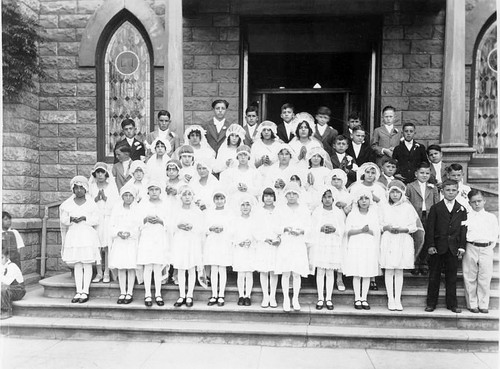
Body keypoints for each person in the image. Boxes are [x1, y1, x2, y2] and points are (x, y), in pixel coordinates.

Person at [424, 179, 467, 313]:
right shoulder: (436, 208)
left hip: (453, 248)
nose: (450, 193)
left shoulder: (461, 209)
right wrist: (430, 245)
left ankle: (452, 304)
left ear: (457, 192)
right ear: (442, 191)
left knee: (452, 277)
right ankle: (431, 303)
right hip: (438, 246)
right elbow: (430, 228)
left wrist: (461, 246)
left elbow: (463, 230)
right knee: (434, 275)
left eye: (453, 190)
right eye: (447, 190)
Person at [380, 180, 423, 311]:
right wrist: (386, 227)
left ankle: (397, 298)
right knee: (389, 269)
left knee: (399, 269)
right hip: (388, 239)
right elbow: (378, 223)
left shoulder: (407, 208)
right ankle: (390, 299)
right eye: (392, 192)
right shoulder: (383, 206)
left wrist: (403, 229)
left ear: (402, 194)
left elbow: (414, 227)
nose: (394, 195)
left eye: (397, 192)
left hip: (403, 239)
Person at [59, 176, 100, 304]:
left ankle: (85, 291)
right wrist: (71, 219)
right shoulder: (67, 204)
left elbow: (96, 219)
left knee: (87, 263)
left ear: (86, 189)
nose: (78, 190)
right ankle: (78, 290)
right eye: (76, 188)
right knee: (77, 263)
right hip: (74, 234)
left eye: (81, 188)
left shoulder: (91, 203)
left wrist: (85, 218)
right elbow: (63, 219)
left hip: (87, 234)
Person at [275, 182, 311, 312]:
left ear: (298, 195)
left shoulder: (304, 209)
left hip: (298, 243)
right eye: (289, 193)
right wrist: (284, 228)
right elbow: (275, 226)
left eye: (294, 194)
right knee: (285, 273)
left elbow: (309, 226)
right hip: (286, 242)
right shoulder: (280, 209)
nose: (291, 196)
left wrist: (301, 231)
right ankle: (285, 298)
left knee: (296, 273)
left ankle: (295, 298)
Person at [343, 188, 381, 310]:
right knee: (357, 272)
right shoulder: (353, 214)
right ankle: (357, 298)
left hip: (369, 245)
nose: (364, 201)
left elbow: (376, 231)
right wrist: (360, 230)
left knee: (367, 272)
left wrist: (369, 230)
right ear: (357, 201)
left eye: (366, 198)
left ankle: (364, 298)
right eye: (361, 198)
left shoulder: (373, 214)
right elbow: (347, 231)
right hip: (356, 244)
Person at [462, 190, 499, 313]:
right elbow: (463, 233)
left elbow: (495, 234)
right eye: (473, 202)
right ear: (469, 203)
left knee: (485, 277)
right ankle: (472, 304)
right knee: (470, 276)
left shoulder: (491, 217)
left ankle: (483, 304)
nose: (477, 204)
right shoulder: (466, 216)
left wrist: (489, 247)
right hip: (471, 246)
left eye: (479, 201)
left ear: (484, 201)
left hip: (486, 248)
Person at [309, 189, 345, 310]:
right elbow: (312, 226)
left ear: (333, 199)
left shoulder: (338, 212)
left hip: (333, 243)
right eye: (325, 197)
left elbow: (343, 228)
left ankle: (329, 298)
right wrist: (321, 228)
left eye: (329, 197)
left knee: (330, 271)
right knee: (320, 271)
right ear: (321, 199)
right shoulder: (317, 211)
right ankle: (320, 298)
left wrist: (335, 229)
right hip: (320, 242)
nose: (327, 199)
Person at [137, 179, 169, 307]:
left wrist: (161, 221)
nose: (154, 192)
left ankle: (158, 293)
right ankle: (147, 294)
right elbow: (137, 221)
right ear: (148, 192)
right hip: (147, 236)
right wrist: (145, 219)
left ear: (160, 191)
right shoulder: (143, 204)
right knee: (148, 266)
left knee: (157, 266)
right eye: (151, 190)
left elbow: (170, 221)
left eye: (156, 189)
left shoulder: (165, 204)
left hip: (160, 236)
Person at [171, 185, 205, 308]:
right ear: (180, 197)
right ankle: (182, 295)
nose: (186, 197)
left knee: (191, 268)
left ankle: (190, 294)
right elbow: (171, 225)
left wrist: (192, 227)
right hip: (180, 241)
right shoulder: (176, 210)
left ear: (192, 196)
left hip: (192, 241)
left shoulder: (197, 211)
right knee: (180, 268)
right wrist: (178, 226)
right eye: (184, 195)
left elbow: (202, 227)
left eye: (189, 194)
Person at [406, 162, 440, 275]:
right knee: (416, 238)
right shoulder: (410, 186)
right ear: (416, 174)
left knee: (428, 238)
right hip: (415, 216)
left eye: (427, 173)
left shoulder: (433, 188)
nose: (424, 175)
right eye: (421, 173)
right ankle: (414, 262)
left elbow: (436, 203)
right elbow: (407, 203)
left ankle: (424, 262)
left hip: (429, 215)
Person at [109, 185, 141, 304]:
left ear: (134, 197)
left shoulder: (137, 210)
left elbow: (139, 226)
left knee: (130, 267)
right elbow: (111, 225)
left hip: (131, 241)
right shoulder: (117, 209)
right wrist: (118, 233)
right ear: (122, 197)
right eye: (125, 195)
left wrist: (130, 233)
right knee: (121, 267)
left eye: (130, 196)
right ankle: (122, 292)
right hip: (119, 241)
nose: (128, 198)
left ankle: (130, 292)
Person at [88, 162, 119, 284]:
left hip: (107, 218)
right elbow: (88, 202)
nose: (100, 175)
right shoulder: (91, 187)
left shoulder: (111, 186)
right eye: (98, 172)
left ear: (106, 174)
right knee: (97, 246)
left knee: (106, 246)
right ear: (95, 174)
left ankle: (107, 272)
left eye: (102, 172)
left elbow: (116, 203)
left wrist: (105, 198)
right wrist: (96, 199)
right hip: (96, 219)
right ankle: (98, 272)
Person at [204, 190, 232, 307]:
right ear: (213, 200)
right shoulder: (209, 212)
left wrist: (223, 228)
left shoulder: (229, 213)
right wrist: (211, 228)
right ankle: (214, 294)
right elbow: (204, 227)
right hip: (213, 241)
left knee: (222, 268)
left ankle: (221, 295)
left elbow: (232, 227)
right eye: (217, 199)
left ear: (225, 200)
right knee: (214, 268)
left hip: (224, 242)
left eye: (221, 198)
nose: (219, 201)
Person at [231, 194, 259, 306]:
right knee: (241, 273)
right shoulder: (236, 220)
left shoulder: (254, 220)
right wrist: (239, 242)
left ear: (251, 207)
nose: (245, 207)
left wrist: (251, 241)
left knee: (249, 273)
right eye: (243, 205)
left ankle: (248, 295)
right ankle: (241, 295)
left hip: (250, 249)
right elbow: (232, 234)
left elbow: (257, 234)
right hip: (240, 249)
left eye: (248, 205)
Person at [255, 188, 281, 308]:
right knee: (264, 271)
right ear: (263, 198)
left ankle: (273, 296)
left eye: (271, 196)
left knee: (273, 271)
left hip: (275, 244)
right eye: (266, 196)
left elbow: (282, 227)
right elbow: (255, 228)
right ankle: (265, 296)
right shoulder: (258, 211)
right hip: (263, 244)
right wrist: (264, 238)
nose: (268, 198)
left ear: (274, 197)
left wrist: (278, 238)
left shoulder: (279, 211)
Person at [1, 248, 25, 320]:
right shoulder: (2, 267)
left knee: (3, 288)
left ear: (7, 257)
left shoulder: (12, 266)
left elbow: (6, 282)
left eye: (2, 257)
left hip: (18, 290)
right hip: (9, 289)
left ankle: (6, 311)